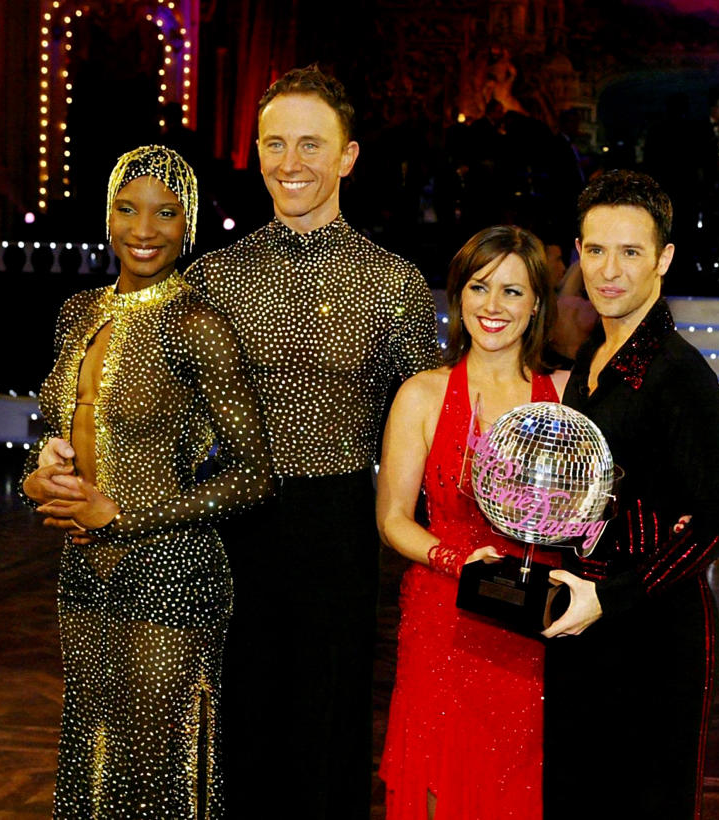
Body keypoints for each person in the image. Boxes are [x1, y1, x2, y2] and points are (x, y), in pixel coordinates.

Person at [183, 65, 442, 816]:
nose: (289, 163)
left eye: (310, 145)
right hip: (232, 530)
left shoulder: (391, 282)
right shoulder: (213, 279)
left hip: (337, 531)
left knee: (327, 726)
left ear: (348, 156)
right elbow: (169, 414)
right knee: (241, 721)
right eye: (274, 144)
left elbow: (422, 425)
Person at [21, 145, 273, 817]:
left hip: (173, 570)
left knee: (156, 768)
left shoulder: (198, 324)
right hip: (81, 571)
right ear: (108, 215)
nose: (144, 229)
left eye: (165, 214)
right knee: (90, 750)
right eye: (128, 210)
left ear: (187, 223)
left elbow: (254, 473)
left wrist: (123, 516)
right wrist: (38, 481)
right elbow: (53, 438)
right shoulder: (78, 311)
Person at [542, 169, 719, 819]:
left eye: (631, 252)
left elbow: (718, 521)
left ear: (664, 259)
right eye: (595, 250)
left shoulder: (681, 374)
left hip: (656, 630)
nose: (609, 270)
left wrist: (610, 595)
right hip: (582, 614)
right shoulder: (590, 364)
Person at [377, 225, 568, 819]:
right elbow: (391, 519)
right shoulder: (421, 395)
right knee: (437, 784)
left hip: (530, 629)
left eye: (513, 291)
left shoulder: (565, 394)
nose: (494, 306)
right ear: (458, 295)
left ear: (537, 302)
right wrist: (456, 561)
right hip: (442, 619)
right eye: (480, 287)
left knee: (516, 787)